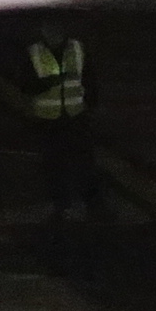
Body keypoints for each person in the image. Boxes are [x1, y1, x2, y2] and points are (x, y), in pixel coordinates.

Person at [28, 22, 102, 225]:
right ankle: (62, 205)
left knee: (84, 163)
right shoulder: (34, 52)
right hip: (49, 118)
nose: (53, 33)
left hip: (75, 115)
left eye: (56, 28)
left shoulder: (77, 48)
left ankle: (93, 205)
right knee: (54, 165)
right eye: (48, 28)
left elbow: (89, 78)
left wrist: (91, 106)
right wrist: (47, 83)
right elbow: (25, 82)